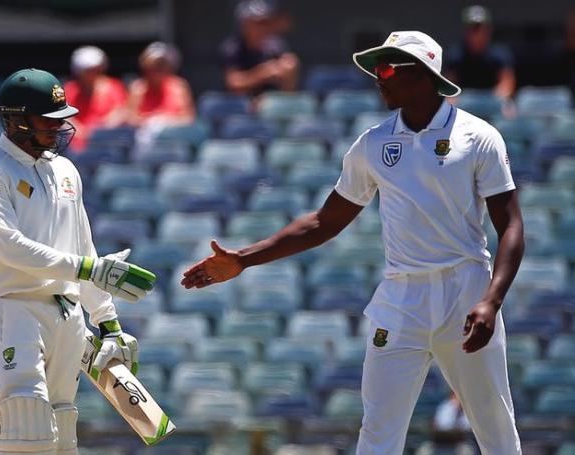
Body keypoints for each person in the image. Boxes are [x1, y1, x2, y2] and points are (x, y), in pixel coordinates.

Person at [182, 31, 524, 454]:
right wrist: (244, 259)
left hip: (466, 290)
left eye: (385, 69)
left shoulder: (478, 137)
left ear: (420, 74)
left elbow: (510, 225)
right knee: (378, 431)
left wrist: (492, 300)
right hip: (402, 296)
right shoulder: (374, 143)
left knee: (494, 425)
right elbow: (326, 221)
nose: (377, 79)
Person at [0, 68, 155, 454]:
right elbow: (13, 249)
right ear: (15, 121)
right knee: (25, 419)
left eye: (60, 120)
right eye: (47, 122)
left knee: (63, 424)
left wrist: (108, 322)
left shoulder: (65, 170)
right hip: (12, 307)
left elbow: (84, 246)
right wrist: (88, 270)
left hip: (67, 315)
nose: (58, 129)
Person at [220, 0, 299, 96]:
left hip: (269, 104)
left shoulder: (276, 46)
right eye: (258, 23)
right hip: (239, 103)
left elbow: (288, 90)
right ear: (245, 24)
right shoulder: (233, 47)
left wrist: (288, 73)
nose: (263, 27)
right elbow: (234, 83)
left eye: (266, 22)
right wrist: (264, 73)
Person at [124, 41, 196, 148]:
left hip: (174, 139)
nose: (158, 70)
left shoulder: (179, 86)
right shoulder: (138, 88)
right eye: (154, 66)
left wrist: (166, 122)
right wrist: (151, 122)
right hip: (145, 142)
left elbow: (189, 119)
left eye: (162, 66)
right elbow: (131, 120)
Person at [63, 45, 128, 152]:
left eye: (96, 69)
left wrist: (96, 130)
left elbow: (120, 113)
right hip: (76, 148)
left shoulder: (114, 86)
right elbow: (63, 118)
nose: (93, 73)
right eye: (88, 70)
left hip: (106, 145)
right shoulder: (69, 89)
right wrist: (81, 132)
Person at [444, 5, 515, 100]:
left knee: (508, 108)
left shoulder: (499, 53)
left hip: (492, 99)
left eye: (482, 28)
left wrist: (499, 98)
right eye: (473, 29)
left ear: (489, 30)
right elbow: (450, 85)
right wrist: (453, 99)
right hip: (465, 101)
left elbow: (507, 83)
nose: (478, 34)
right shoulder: (456, 54)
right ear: (466, 31)